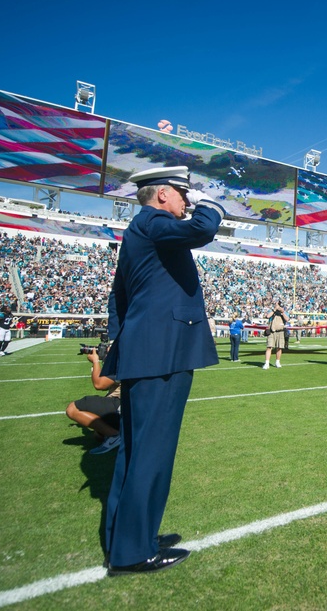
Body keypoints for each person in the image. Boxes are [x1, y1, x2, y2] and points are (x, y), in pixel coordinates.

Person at [100, 165, 225, 575]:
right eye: (183, 194)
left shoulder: (140, 229)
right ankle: (134, 551)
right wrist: (211, 203)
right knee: (152, 453)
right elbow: (201, 230)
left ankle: (130, 535)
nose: (187, 202)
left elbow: (119, 299)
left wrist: (120, 348)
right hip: (162, 353)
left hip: (146, 351)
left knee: (135, 452)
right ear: (162, 195)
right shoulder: (154, 221)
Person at [66, 348, 122, 455]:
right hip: (131, 406)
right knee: (98, 435)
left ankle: (116, 436)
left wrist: (96, 361)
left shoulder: (123, 362)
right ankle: (119, 432)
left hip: (121, 406)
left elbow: (99, 384)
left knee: (72, 409)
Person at [263, 303, 287, 369]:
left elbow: (287, 319)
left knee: (279, 347)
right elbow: (267, 316)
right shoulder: (272, 311)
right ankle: (267, 363)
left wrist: (282, 312)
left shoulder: (283, 312)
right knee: (269, 347)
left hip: (280, 331)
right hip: (272, 331)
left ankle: (277, 362)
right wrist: (274, 310)